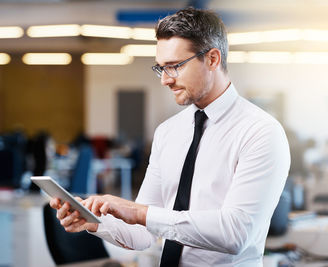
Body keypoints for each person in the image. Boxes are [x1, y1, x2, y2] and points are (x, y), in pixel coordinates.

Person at [50, 7, 290, 266]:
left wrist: (140, 212)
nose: (165, 80)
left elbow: (236, 233)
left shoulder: (261, 132)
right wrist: (94, 220)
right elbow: (143, 233)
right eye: (161, 68)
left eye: (174, 66)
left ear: (212, 59)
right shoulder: (168, 132)